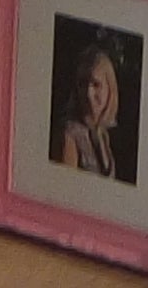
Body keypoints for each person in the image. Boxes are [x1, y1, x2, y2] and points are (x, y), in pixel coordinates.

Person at [54, 37, 130, 182]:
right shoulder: (69, 135)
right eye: (82, 84)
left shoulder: (103, 134)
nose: (88, 94)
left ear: (109, 89)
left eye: (96, 84)